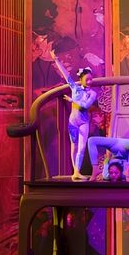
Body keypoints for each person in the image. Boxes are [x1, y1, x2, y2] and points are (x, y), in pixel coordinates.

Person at [50, 49, 98, 180]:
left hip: (84, 122)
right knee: (74, 146)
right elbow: (66, 75)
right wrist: (56, 60)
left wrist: (73, 101)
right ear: (81, 80)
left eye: (91, 79)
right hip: (73, 121)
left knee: (82, 148)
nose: (90, 82)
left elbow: (86, 106)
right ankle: (75, 172)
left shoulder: (92, 93)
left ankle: (78, 171)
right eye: (87, 80)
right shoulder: (75, 88)